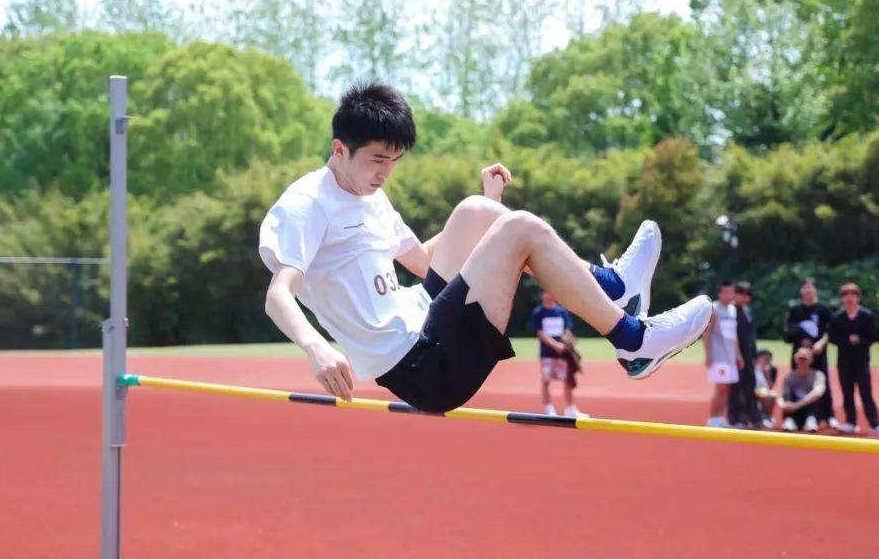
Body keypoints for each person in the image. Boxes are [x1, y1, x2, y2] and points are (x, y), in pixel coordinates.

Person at [258, 82, 713, 413]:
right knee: (521, 228)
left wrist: (488, 213)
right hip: (422, 365)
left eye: (394, 161)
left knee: (475, 209)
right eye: (377, 160)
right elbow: (278, 294)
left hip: (424, 315)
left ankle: (613, 288)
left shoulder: (370, 196)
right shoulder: (307, 204)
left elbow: (424, 263)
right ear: (339, 149)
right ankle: (633, 340)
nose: (385, 173)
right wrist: (316, 347)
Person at [829, 283, 879, 436]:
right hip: (844, 361)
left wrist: (859, 340)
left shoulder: (866, 315)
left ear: (858, 297)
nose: (849, 298)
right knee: (847, 393)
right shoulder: (836, 317)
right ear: (842, 298)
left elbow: (872, 336)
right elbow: (832, 337)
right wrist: (846, 340)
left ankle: (875, 424)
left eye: (853, 294)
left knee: (866, 393)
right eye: (845, 295)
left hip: (862, 361)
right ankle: (851, 422)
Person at [784, 278, 838, 429]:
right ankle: (794, 417)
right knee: (796, 384)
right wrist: (801, 340)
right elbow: (787, 334)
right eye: (805, 288)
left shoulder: (823, 310)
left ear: (815, 290)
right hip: (799, 355)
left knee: (823, 384)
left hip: (818, 354)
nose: (807, 291)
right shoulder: (795, 310)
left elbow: (829, 331)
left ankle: (829, 416)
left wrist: (821, 343)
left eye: (810, 288)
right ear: (801, 291)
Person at [532, 290, 586, 417]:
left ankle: (570, 410)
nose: (548, 295)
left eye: (551, 292)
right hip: (547, 353)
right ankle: (549, 409)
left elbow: (567, 329)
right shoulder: (538, 312)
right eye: (546, 292)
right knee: (546, 380)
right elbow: (540, 333)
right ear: (542, 295)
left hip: (563, 353)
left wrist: (568, 342)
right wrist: (555, 345)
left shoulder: (562, 311)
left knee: (567, 380)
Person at [702, 279, 743, 428]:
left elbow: (734, 335)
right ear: (719, 293)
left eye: (731, 292)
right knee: (719, 387)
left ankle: (721, 418)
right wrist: (708, 354)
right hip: (718, 355)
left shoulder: (733, 309)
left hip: (730, 356)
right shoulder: (714, 309)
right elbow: (707, 333)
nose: (729, 295)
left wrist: (738, 355)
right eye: (725, 292)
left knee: (727, 388)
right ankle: (712, 419)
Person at [728, 281, 764, 429]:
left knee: (750, 385)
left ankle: (753, 418)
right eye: (741, 294)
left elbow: (751, 335)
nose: (745, 298)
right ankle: (735, 418)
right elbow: (731, 336)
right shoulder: (730, 311)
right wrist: (737, 356)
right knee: (735, 388)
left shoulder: (747, 311)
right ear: (735, 294)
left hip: (748, 355)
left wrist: (755, 355)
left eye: (748, 295)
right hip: (734, 356)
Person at [777, 347, 827, 432]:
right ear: (795, 360)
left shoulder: (818, 375)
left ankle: (811, 420)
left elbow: (818, 392)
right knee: (788, 396)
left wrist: (797, 405)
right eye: (800, 359)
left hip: (810, 409)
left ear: (811, 360)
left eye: (805, 359)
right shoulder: (789, 376)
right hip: (792, 410)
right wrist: (783, 404)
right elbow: (781, 394)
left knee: (816, 399)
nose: (802, 361)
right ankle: (790, 420)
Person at [754, 349, 778, 424]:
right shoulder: (754, 368)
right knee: (770, 395)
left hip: (762, 391)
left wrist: (768, 375)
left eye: (769, 359)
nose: (768, 361)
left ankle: (767, 416)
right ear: (760, 357)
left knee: (772, 394)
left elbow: (769, 387)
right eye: (766, 358)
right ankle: (764, 417)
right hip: (753, 391)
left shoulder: (770, 370)